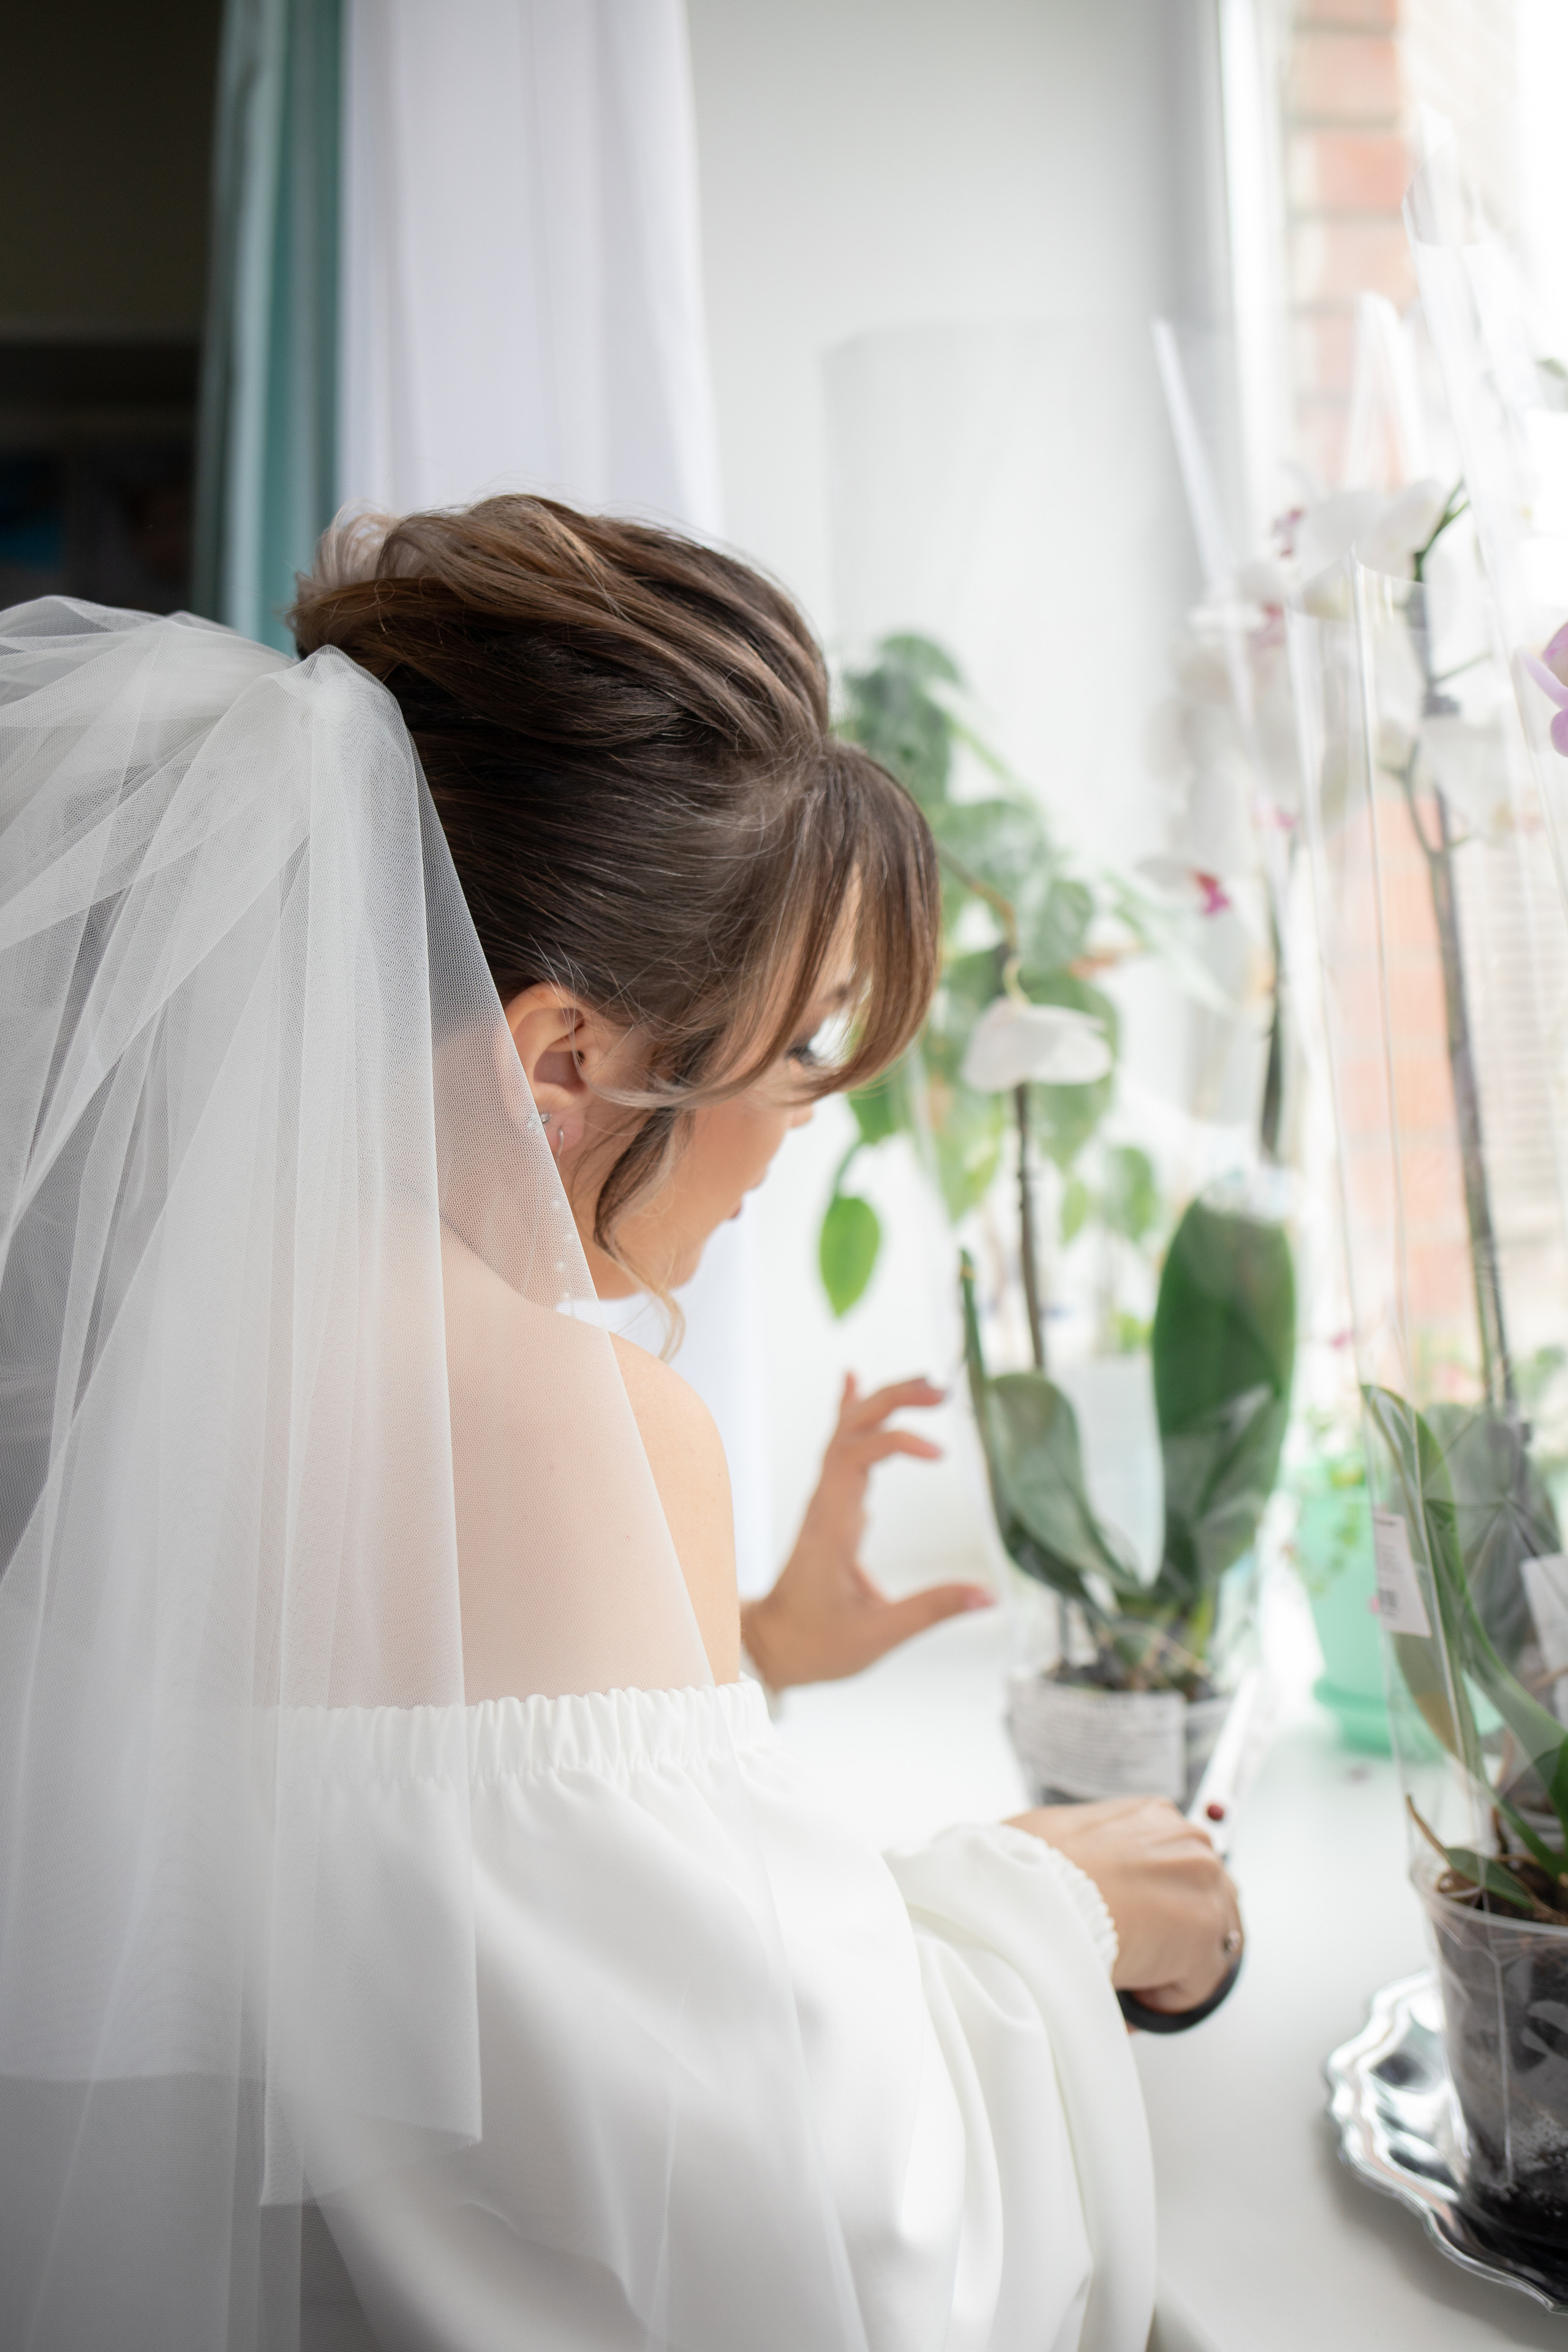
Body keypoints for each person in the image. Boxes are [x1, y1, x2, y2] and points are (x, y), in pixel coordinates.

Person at [0, 499, 1240, 2352]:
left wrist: (748, 1652)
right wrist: (1053, 1913)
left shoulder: (130, 1337)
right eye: (800, 1045)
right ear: (565, 1054)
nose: (799, 1124)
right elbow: (827, 2259)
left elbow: (408, 1961)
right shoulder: (568, 1413)